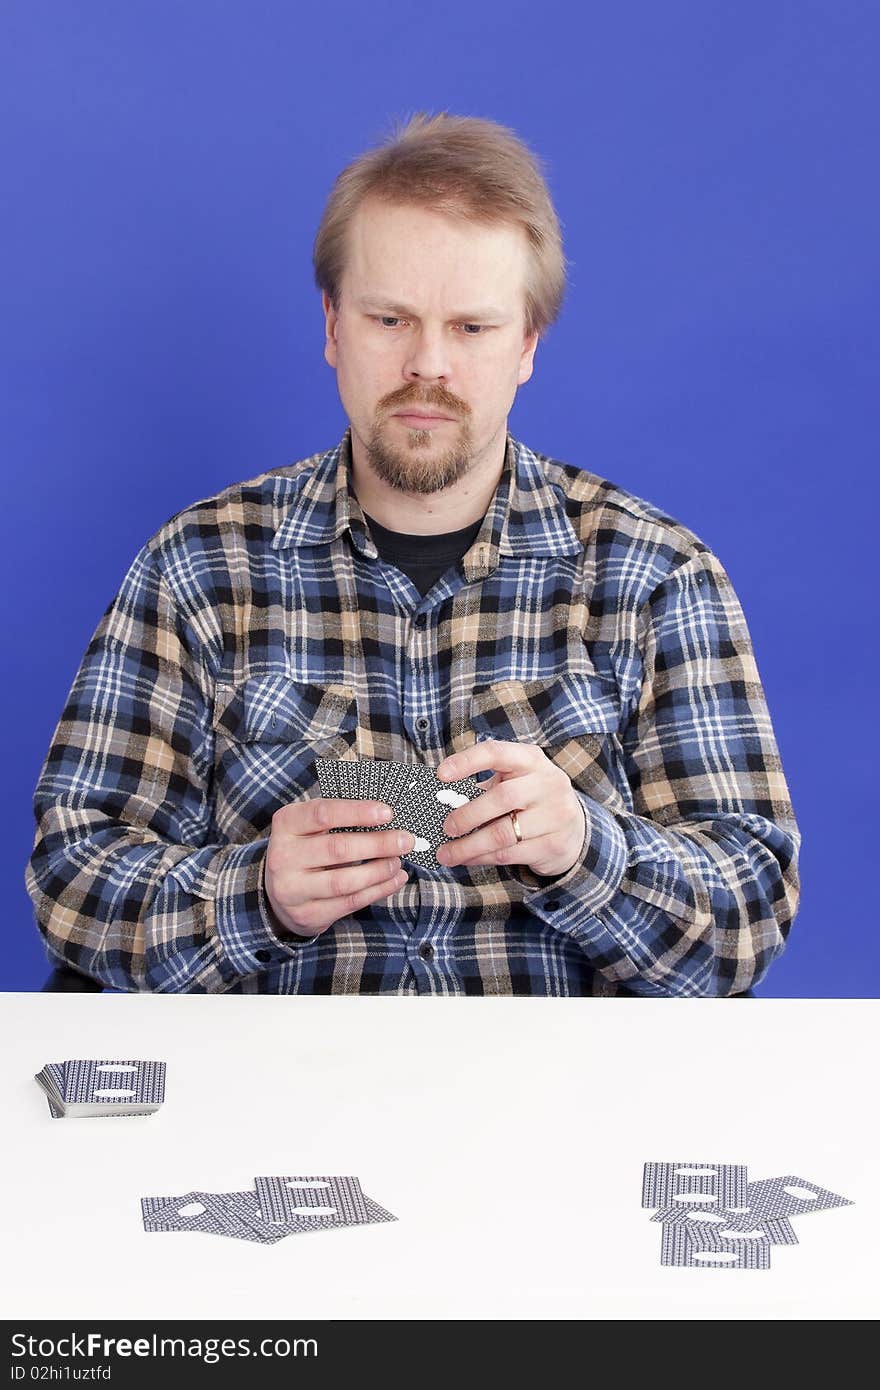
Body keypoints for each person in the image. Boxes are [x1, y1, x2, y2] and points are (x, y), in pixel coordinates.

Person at [26, 113, 800, 996]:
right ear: (332, 326)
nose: (426, 365)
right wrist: (256, 895)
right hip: (272, 1109)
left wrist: (588, 848)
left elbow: (752, 908)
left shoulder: (653, 575)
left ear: (526, 348)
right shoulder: (201, 568)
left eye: (471, 328)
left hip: (564, 1110)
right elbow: (71, 877)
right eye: (390, 318)